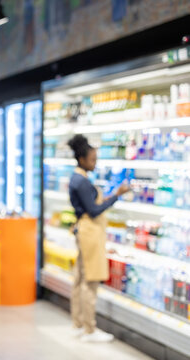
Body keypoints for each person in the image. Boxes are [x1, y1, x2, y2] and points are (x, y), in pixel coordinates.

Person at [67, 134, 130, 343]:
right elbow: (94, 210)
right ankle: (89, 329)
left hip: (84, 232)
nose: (95, 163)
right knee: (90, 280)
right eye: (93, 160)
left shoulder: (77, 178)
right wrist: (117, 195)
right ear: (82, 159)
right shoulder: (82, 181)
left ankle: (78, 323)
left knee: (80, 278)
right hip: (90, 233)